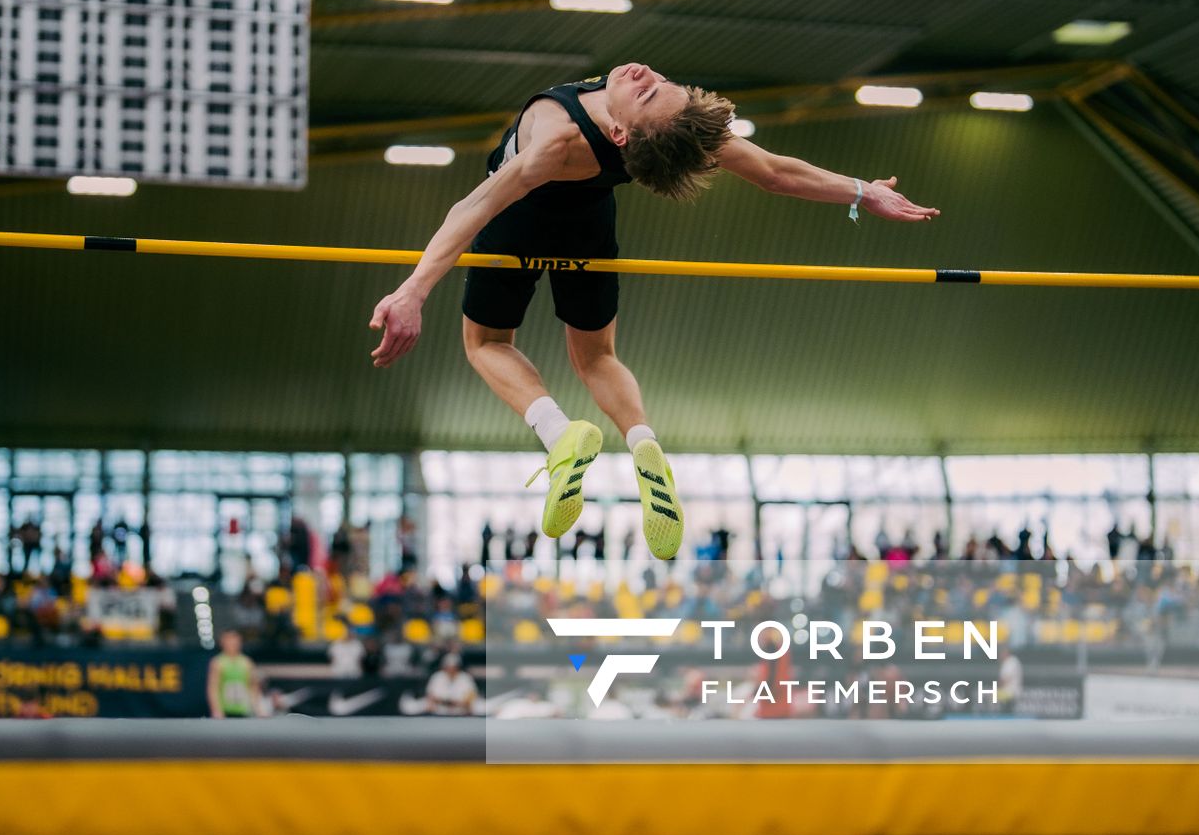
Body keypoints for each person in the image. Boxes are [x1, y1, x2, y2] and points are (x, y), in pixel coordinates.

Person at [368, 64, 935, 562]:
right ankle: (644, 444)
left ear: (620, 135)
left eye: (647, 93)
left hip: (517, 220)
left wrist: (414, 290)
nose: (645, 75)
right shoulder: (668, 129)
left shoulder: (557, 140)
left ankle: (560, 435)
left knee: (487, 343)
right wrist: (861, 191)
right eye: (662, 84)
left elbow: (477, 203)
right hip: (590, 225)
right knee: (596, 356)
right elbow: (775, 173)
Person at [207, 629, 260, 719]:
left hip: (244, 711)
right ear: (222, 642)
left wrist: (258, 709)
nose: (232, 643)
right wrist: (216, 710)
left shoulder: (247, 662)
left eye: (235, 640)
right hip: (225, 712)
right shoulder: (218, 662)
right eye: (229, 640)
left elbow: (253, 688)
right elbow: (213, 688)